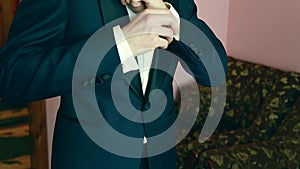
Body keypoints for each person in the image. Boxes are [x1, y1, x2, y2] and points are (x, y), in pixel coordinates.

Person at [0, 0, 227, 168]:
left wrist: (173, 20)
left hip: (161, 157)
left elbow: (214, 71)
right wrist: (117, 45)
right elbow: (12, 78)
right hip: (90, 157)